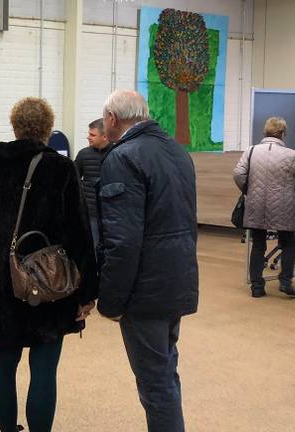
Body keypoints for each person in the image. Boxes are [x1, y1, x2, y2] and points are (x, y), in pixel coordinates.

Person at [0, 97, 98, 432]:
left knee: (5, 359)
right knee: (44, 367)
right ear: (47, 129)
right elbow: (79, 233)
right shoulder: (61, 169)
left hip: (3, 282)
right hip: (50, 284)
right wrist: (87, 291)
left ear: (14, 126)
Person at [98, 90, 199, 432]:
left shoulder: (122, 158)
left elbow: (123, 241)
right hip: (177, 279)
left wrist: (110, 302)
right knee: (166, 372)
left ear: (112, 118)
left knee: (155, 384)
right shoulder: (178, 151)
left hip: (145, 291)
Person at [233, 116, 295, 298]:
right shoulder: (290, 155)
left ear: (265, 132)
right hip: (282, 206)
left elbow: (238, 173)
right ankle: (285, 281)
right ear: (283, 133)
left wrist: (248, 190)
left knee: (258, 245)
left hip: (256, 204)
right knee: (289, 244)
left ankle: (257, 287)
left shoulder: (251, 151)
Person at [74, 118, 111, 246]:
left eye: (92, 135)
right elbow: (74, 180)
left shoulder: (117, 153)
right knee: (93, 247)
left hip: (111, 213)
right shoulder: (83, 155)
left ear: (105, 136)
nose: (88, 137)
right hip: (90, 214)